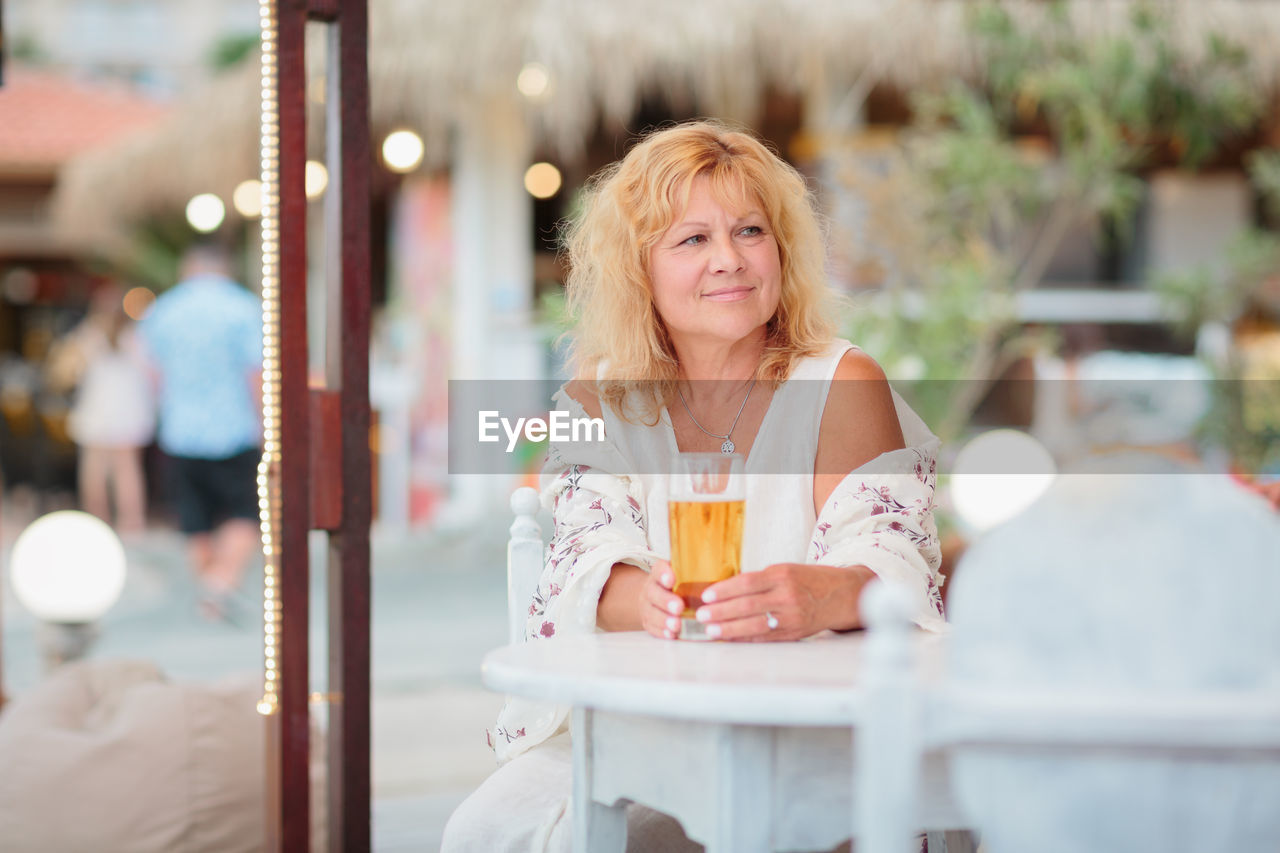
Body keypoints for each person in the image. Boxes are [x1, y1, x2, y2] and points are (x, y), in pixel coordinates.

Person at [442, 121, 946, 852]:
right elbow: (585, 554)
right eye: (692, 240)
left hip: (808, 722)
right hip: (638, 713)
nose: (730, 261)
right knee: (483, 830)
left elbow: (895, 561)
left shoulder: (841, 382)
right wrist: (642, 598)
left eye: (750, 230)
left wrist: (820, 594)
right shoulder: (598, 397)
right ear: (638, 268)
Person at [137, 242, 263, 621]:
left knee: (195, 520)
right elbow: (255, 373)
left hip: (181, 431)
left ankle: (212, 588)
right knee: (247, 514)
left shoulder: (164, 310)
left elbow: (151, 372)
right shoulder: (243, 307)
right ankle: (218, 585)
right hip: (234, 428)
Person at [46, 283, 156, 534]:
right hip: (128, 412)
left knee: (95, 468)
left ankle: (98, 520)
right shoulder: (138, 338)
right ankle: (132, 523)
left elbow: (66, 372)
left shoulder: (87, 336)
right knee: (127, 469)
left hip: (97, 411)